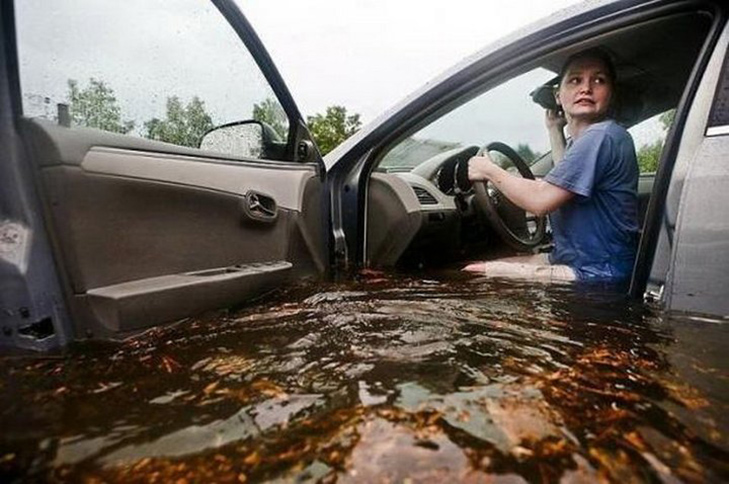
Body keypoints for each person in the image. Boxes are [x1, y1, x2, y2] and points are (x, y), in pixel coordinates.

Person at [464, 48, 639, 283]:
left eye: (599, 80)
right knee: (495, 264)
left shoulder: (601, 136)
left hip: (597, 273)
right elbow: (564, 178)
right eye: (575, 80)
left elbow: (540, 201)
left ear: (611, 94)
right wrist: (555, 129)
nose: (586, 88)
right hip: (579, 261)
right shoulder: (596, 139)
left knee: (473, 273)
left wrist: (488, 170)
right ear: (558, 96)